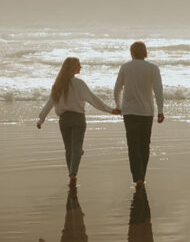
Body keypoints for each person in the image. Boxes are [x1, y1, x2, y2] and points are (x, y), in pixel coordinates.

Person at [37, 57, 116, 186]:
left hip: (64, 120)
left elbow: (49, 103)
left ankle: (71, 173)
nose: (81, 67)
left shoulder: (57, 84)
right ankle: (73, 172)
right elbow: (93, 100)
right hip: (78, 119)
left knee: (69, 149)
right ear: (73, 67)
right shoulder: (79, 83)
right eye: (79, 65)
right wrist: (110, 110)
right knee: (76, 147)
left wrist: (41, 119)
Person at [113, 41, 164, 187]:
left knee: (133, 145)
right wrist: (160, 111)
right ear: (145, 52)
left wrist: (118, 106)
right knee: (144, 145)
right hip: (147, 112)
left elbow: (116, 89)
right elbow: (158, 91)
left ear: (131, 52)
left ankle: (138, 178)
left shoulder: (126, 67)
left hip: (129, 112)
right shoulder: (153, 68)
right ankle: (142, 176)